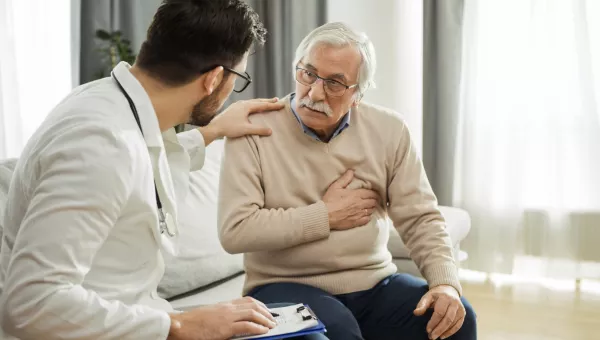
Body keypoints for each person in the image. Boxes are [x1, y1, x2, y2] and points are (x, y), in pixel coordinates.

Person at [0, 1, 327, 339]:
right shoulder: (100, 144)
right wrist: (181, 325)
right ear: (214, 78)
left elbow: (137, 167)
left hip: (141, 317)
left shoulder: (108, 106)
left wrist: (211, 132)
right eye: (238, 78)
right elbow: (31, 303)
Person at [217, 22, 477, 340]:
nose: (314, 92)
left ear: (358, 94)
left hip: (374, 283)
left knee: (456, 319)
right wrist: (325, 215)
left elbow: (420, 217)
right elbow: (235, 230)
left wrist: (445, 284)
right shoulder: (253, 129)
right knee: (337, 330)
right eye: (307, 74)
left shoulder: (389, 130)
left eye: (335, 83)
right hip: (280, 287)